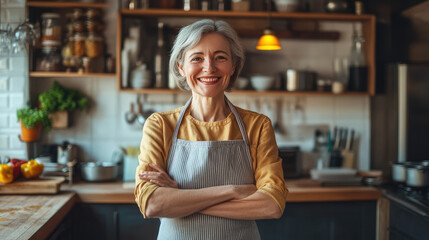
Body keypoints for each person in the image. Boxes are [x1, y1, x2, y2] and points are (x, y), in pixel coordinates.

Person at [135, 19, 288, 240]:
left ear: (233, 65)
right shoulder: (159, 125)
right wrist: (232, 191)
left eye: (220, 58)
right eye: (197, 58)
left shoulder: (257, 126)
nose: (209, 68)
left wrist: (179, 198)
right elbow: (151, 204)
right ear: (181, 66)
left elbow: (271, 205)